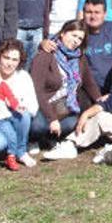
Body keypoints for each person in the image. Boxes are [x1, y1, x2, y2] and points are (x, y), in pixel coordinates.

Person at [31, 20, 100, 159]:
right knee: (38, 126)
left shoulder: (79, 57)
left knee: (76, 122)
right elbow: (37, 90)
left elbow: (88, 82)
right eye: (73, 35)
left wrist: (100, 100)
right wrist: (51, 118)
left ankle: (50, 138)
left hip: (64, 107)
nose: (76, 41)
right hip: (43, 106)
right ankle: (33, 139)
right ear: (63, 33)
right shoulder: (46, 54)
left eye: (80, 38)